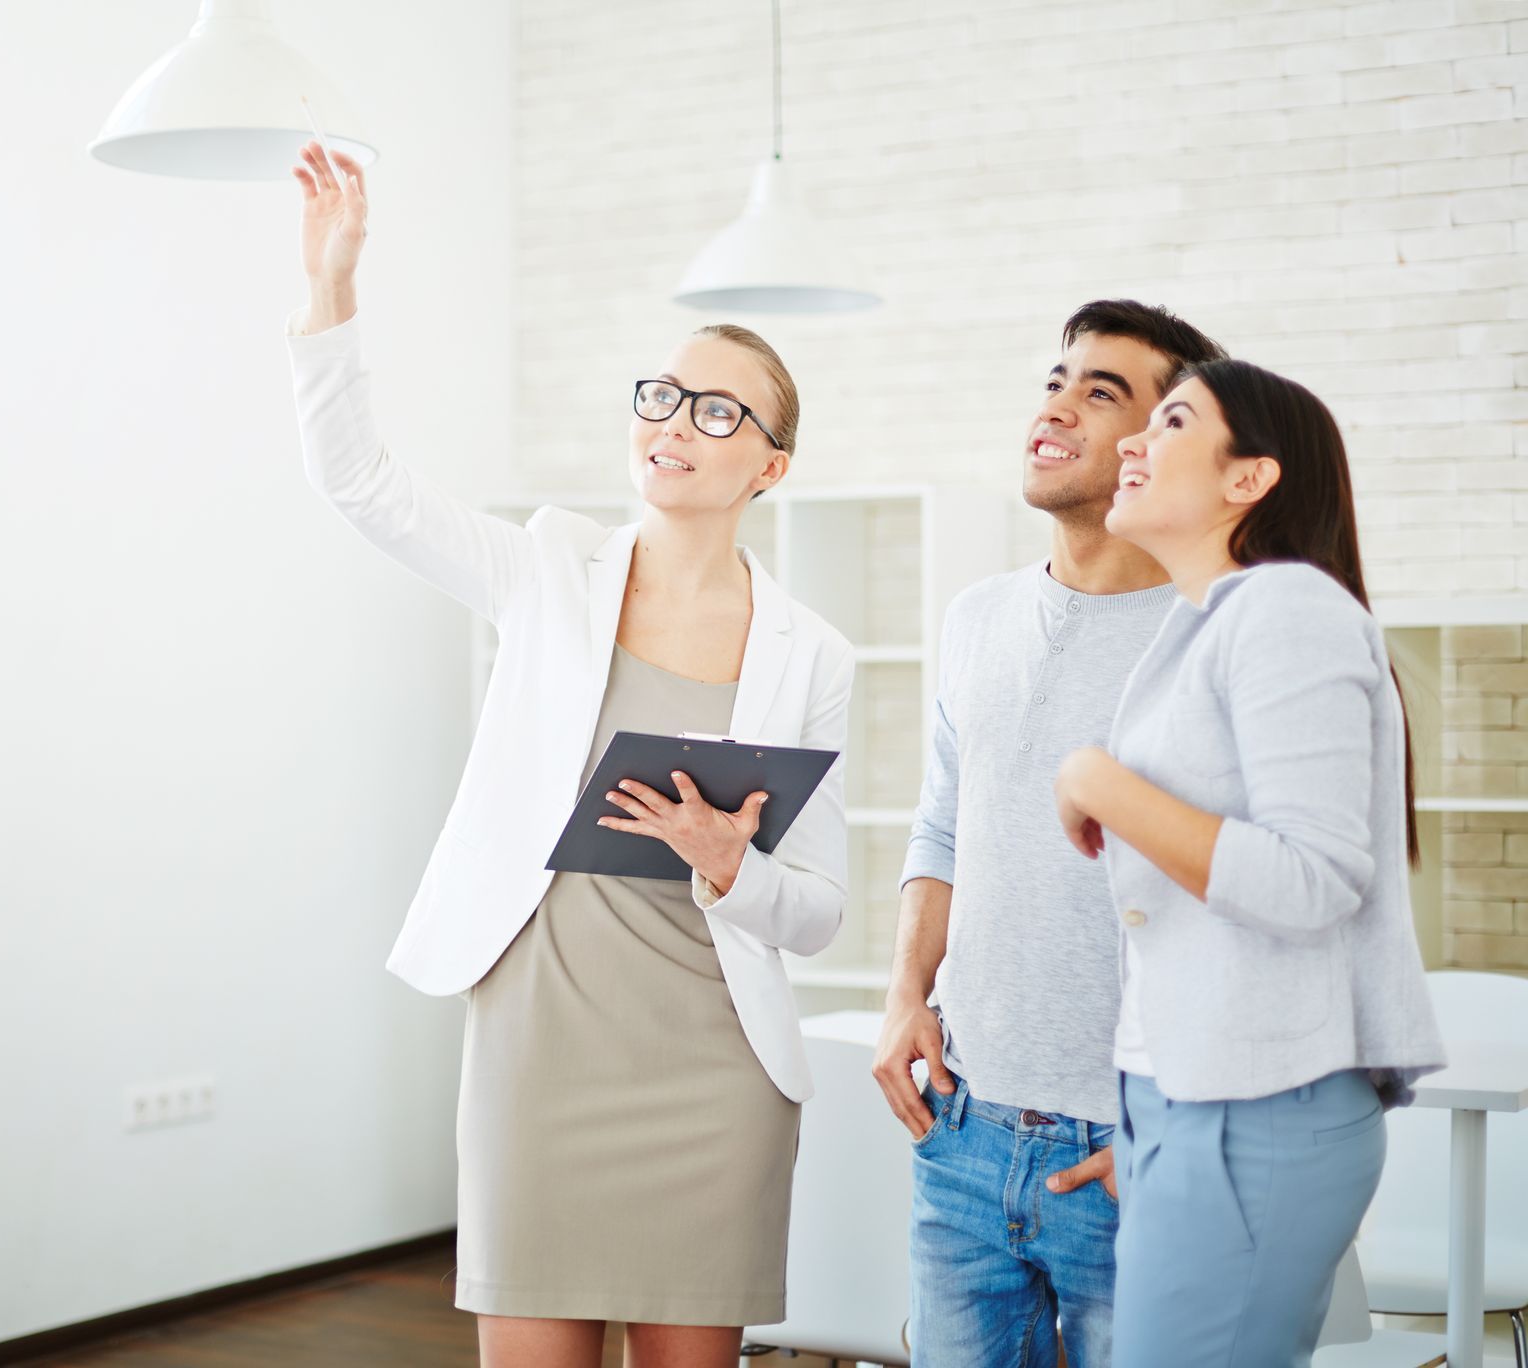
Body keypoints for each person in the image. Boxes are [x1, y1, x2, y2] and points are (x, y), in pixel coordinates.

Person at [285, 143, 855, 1368]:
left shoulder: (812, 654)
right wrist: (332, 286)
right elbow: (360, 484)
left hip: (715, 1066)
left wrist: (726, 863)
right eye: (660, 394)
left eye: (718, 412)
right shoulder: (547, 569)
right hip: (540, 1046)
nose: (674, 425)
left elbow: (815, 914)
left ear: (771, 465)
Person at [1050, 358, 1446, 1366]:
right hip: (1196, 1109)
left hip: (1252, 1116)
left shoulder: (1286, 610)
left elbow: (1310, 878)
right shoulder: (1206, 624)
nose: (1134, 441)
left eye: (1172, 420)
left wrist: (1099, 780)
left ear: (1249, 479)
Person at [873, 301, 1227, 1367]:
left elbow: (1258, 900)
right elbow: (943, 824)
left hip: (1130, 1150)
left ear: (1165, 444)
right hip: (963, 1135)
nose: (1057, 405)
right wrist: (902, 999)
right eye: (1055, 379)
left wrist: (1182, 1124)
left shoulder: (1214, 633)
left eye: (1101, 391)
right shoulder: (976, 616)